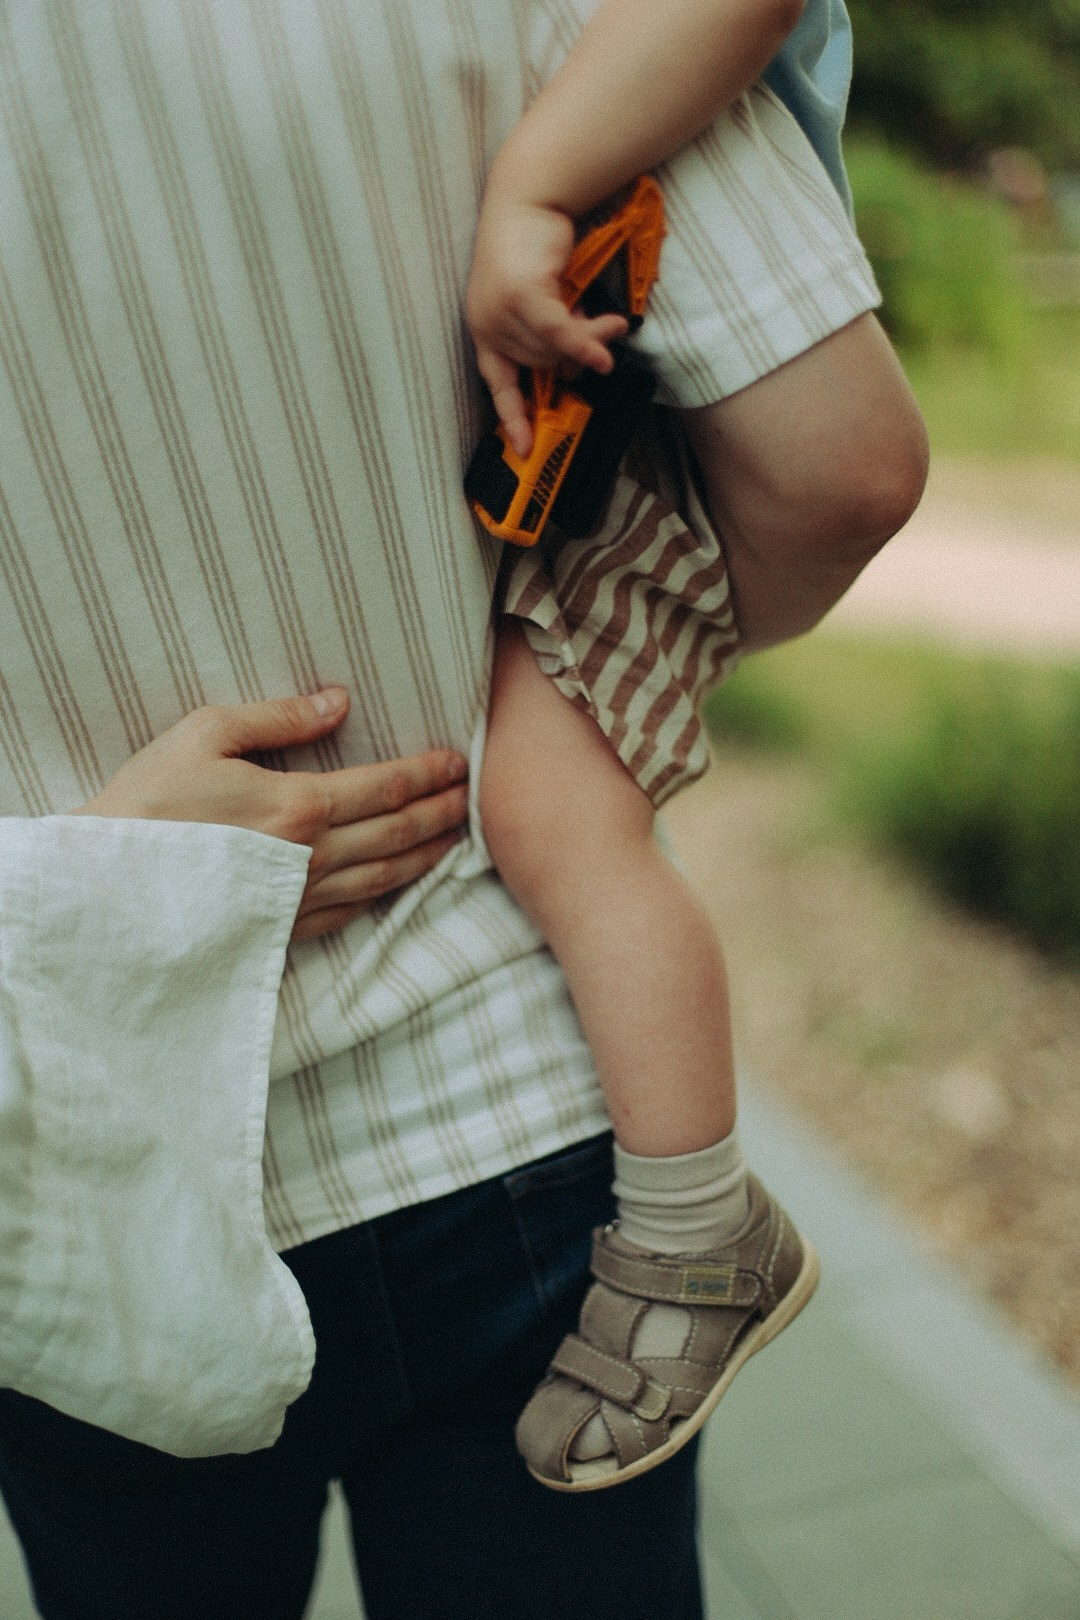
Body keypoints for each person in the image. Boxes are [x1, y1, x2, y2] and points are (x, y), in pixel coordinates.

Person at [0, 1, 921, 1616]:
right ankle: (701, 1233)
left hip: (81, 1155)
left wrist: (82, 888)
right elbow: (839, 468)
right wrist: (577, 684)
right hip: (515, 1106)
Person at [468, 0, 927, 1487]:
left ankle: (697, 1234)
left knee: (552, 809)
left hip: (659, 343)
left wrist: (535, 182)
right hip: (642, 354)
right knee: (557, 806)